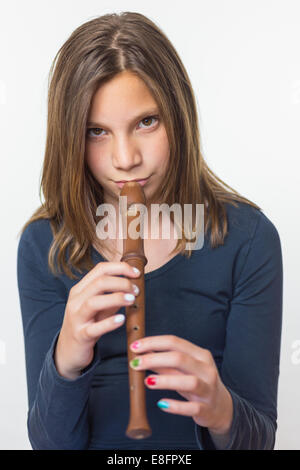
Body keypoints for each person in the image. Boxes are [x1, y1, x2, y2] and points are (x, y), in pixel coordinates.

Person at [17, 12, 283, 450]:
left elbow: (260, 440)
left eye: (146, 122)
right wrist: (65, 359)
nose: (125, 158)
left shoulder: (247, 240)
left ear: (178, 116)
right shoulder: (45, 246)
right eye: (96, 132)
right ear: (71, 139)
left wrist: (220, 408)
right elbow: (49, 444)